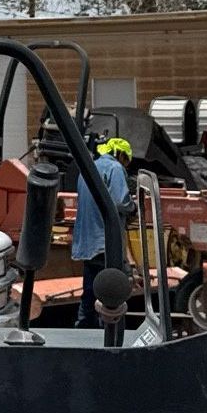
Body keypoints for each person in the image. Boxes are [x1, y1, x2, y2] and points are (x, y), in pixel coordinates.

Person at [72, 136, 132, 328]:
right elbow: (120, 200)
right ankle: (107, 333)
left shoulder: (88, 167)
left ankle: (83, 329)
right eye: (126, 160)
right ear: (120, 155)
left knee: (90, 291)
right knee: (110, 294)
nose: (126, 166)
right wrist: (133, 207)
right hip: (105, 241)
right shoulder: (114, 168)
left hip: (87, 242)